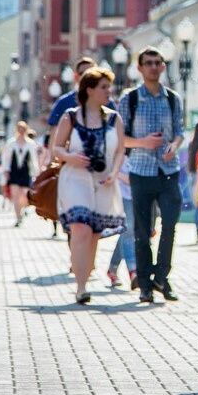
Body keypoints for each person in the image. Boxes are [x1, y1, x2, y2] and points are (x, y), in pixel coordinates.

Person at [116, 47, 186, 304]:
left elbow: (180, 130)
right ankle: (145, 284)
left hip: (169, 171)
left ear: (164, 66)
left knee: (170, 225)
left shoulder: (172, 98)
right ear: (140, 68)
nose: (154, 67)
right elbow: (119, 137)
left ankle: (162, 277)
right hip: (141, 172)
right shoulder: (130, 99)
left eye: (158, 62)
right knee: (143, 231)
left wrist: (174, 146)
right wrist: (143, 142)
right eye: (148, 63)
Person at [53, 66, 126, 304]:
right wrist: (70, 157)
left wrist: (115, 173)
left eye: (109, 87)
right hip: (75, 178)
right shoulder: (71, 116)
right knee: (81, 228)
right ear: (90, 89)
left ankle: (85, 273)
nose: (109, 91)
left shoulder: (114, 119)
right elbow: (57, 148)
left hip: (103, 180)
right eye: (104, 87)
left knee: (94, 233)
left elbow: (120, 151)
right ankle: (81, 286)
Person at [107, 158, 138, 290]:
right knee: (128, 230)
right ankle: (133, 270)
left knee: (127, 233)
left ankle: (112, 269)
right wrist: (118, 174)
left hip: (139, 194)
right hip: (122, 194)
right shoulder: (120, 149)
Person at [1, 121, 40, 227]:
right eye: (19, 129)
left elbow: (34, 160)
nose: (21, 131)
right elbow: (6, 158)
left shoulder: (30, 144)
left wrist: (36, 173)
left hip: (25, 172)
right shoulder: (11, 143)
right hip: (14, 171)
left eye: (23, 129)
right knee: (15, 195)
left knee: (24, 195)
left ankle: (22, 211)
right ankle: (18, 217)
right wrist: (5, 170)